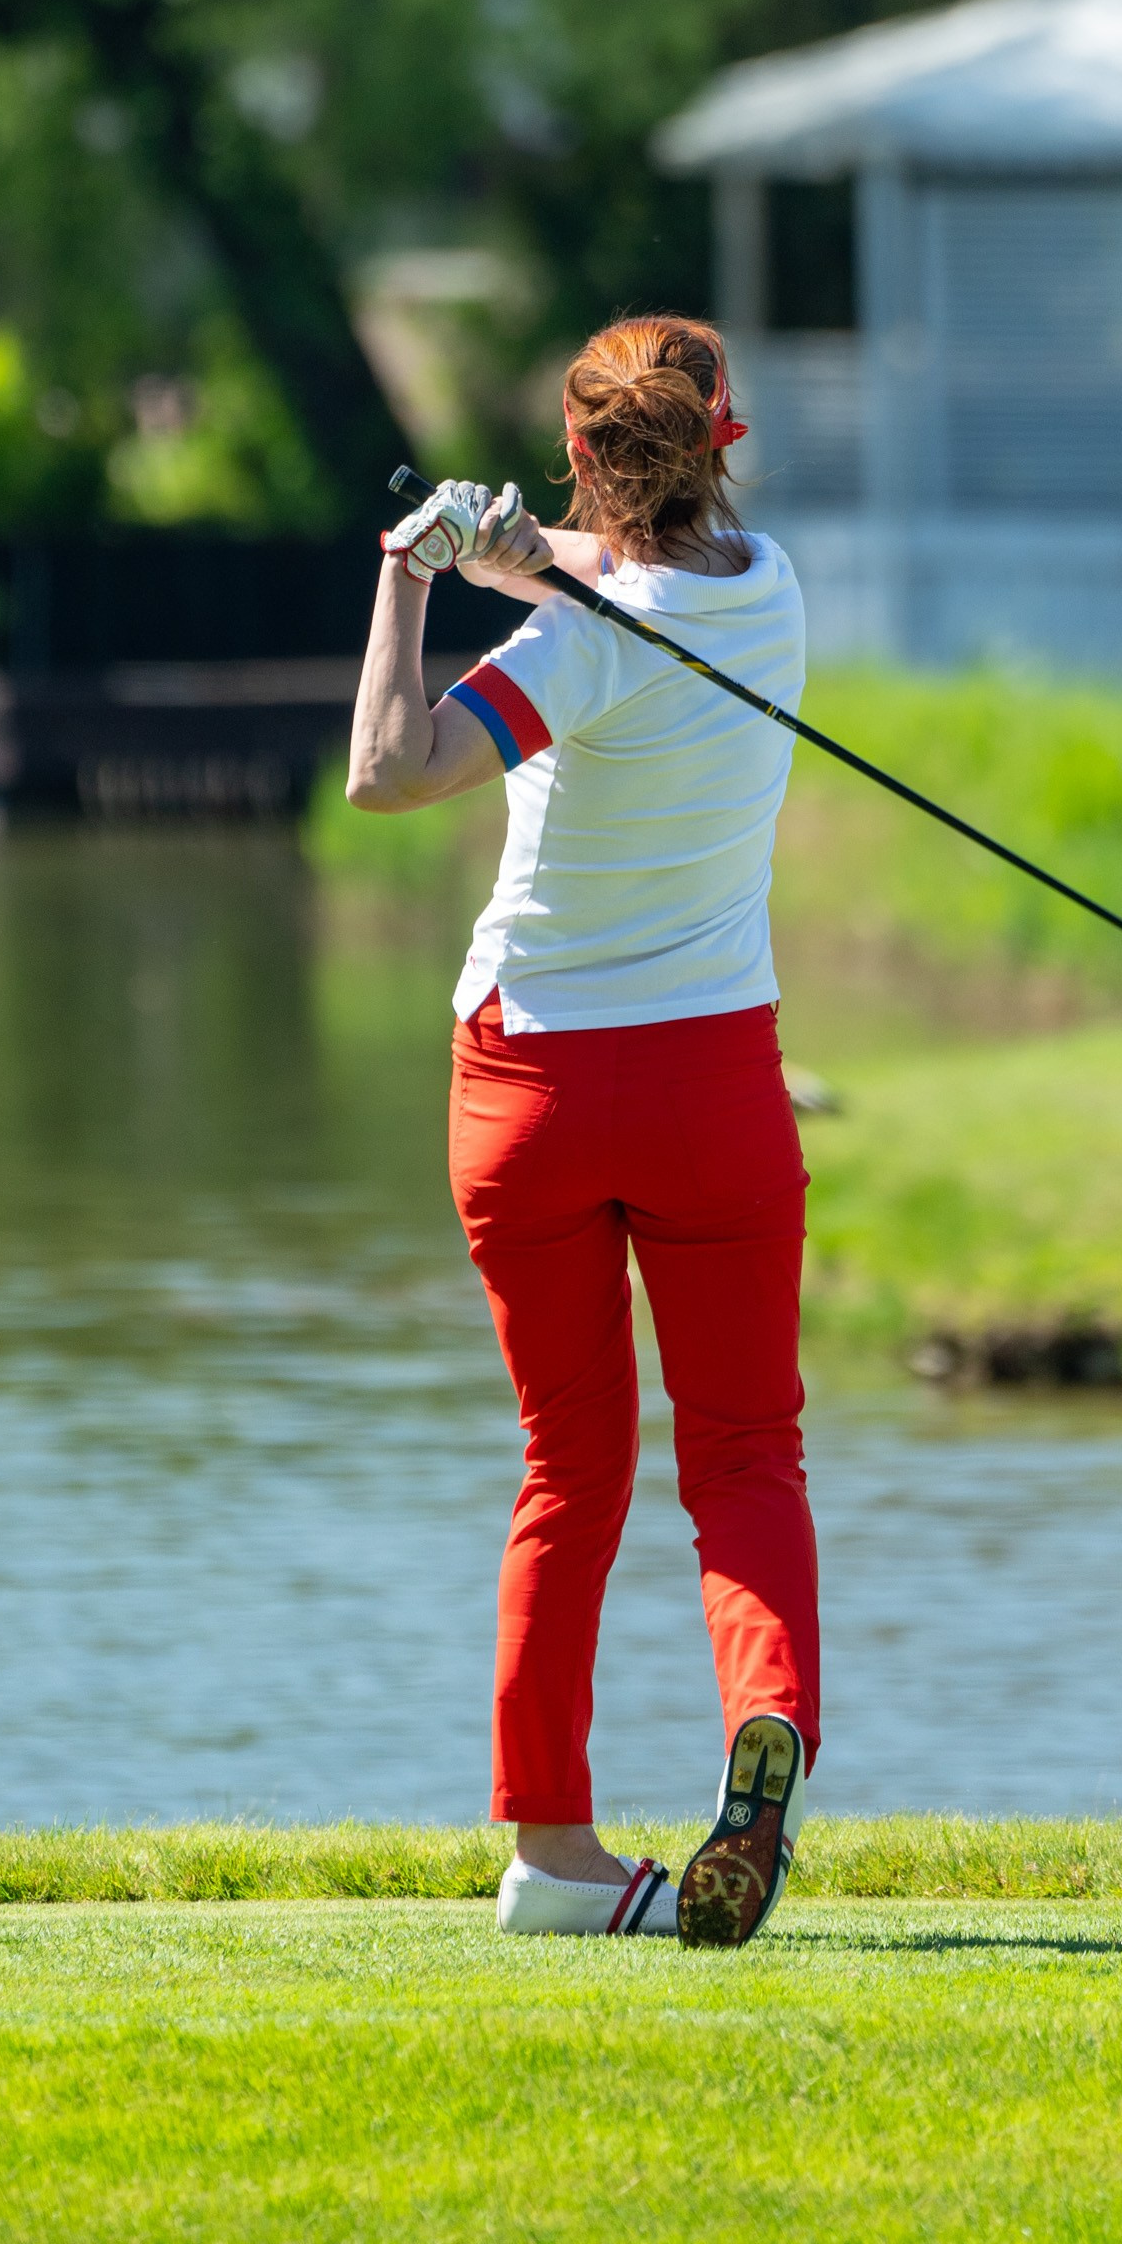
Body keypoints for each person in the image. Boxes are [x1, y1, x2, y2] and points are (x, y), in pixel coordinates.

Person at [346, 314, 816, 1947]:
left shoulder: (573, 649)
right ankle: (766, 1712)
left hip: (533, 1096)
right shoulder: (767, 585)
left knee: (572, 1472)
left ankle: (549, 1854)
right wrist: (514, 549)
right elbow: (631, 571)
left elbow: (389, 772)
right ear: (720, 444)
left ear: (578, 455)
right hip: (714, 1094)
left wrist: (414, 574)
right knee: (745, 1450)